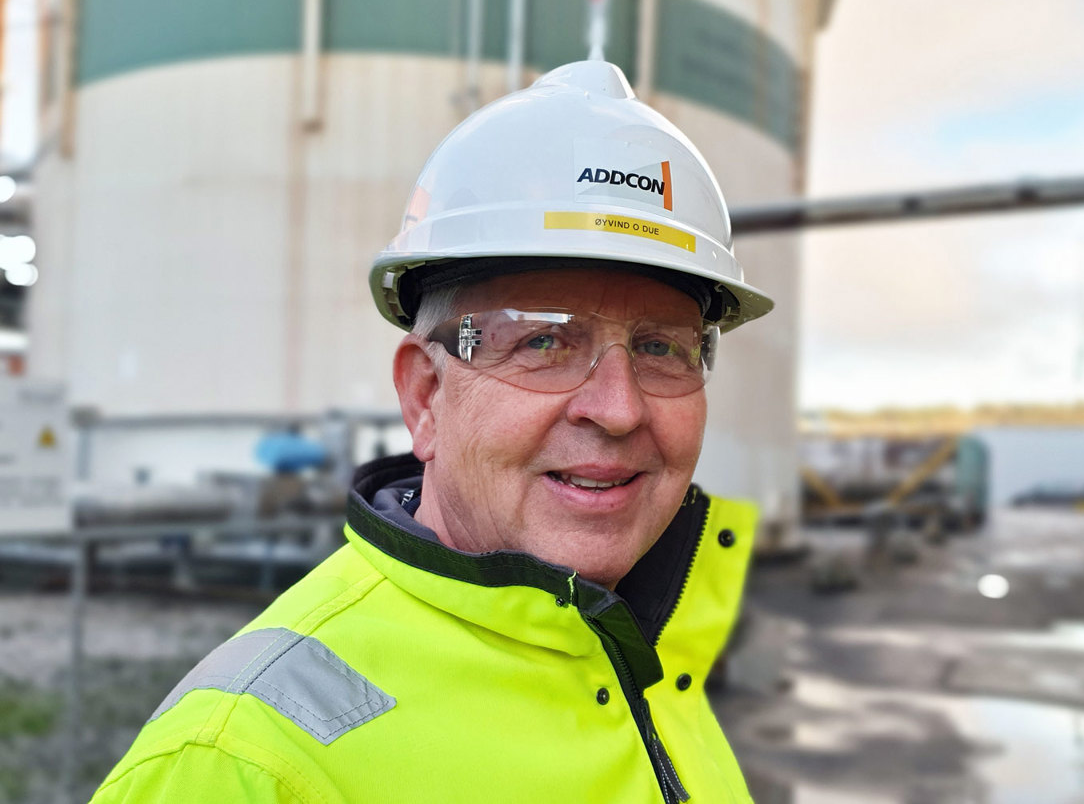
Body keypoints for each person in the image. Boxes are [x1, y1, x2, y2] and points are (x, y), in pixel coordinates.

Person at [91, 60, 774, 803]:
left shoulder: (648, 662)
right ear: (424, 396)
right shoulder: (238, 763)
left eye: (660, 347)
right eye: (544, 342)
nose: (617, 409)